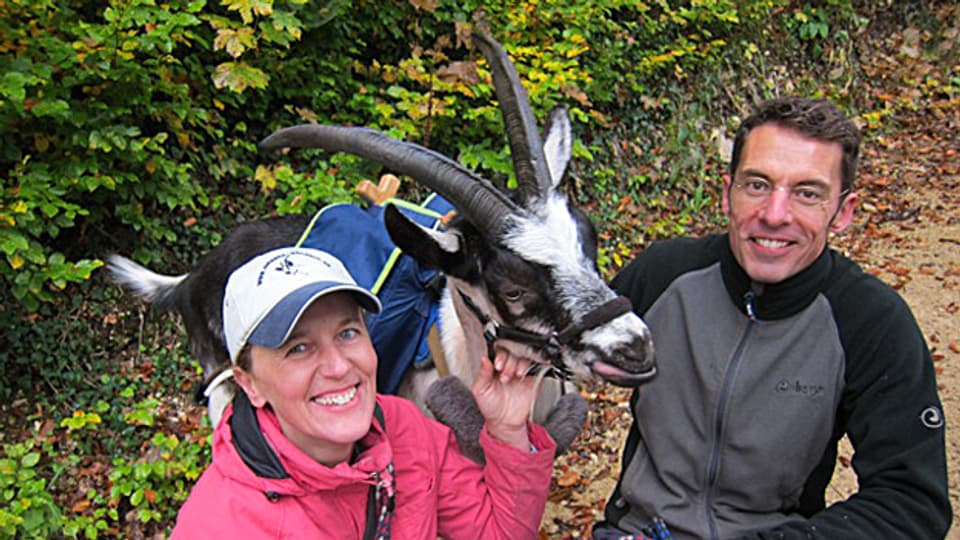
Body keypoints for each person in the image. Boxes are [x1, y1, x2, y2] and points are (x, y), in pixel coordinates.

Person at [594, 97, 951, 539]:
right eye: (757, 185)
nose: (775, 215)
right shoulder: (664, 274)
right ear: (727, 193)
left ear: (843, 212)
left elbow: (911, 501)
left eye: (807, 193)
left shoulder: (871, 322)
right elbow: (554, 358)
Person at [169, 246, 556, 539]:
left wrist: (507, 431)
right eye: (297, 348)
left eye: (347, 333)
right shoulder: (220, 526)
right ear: (249, 383)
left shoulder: (405, 431)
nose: (339, 366)